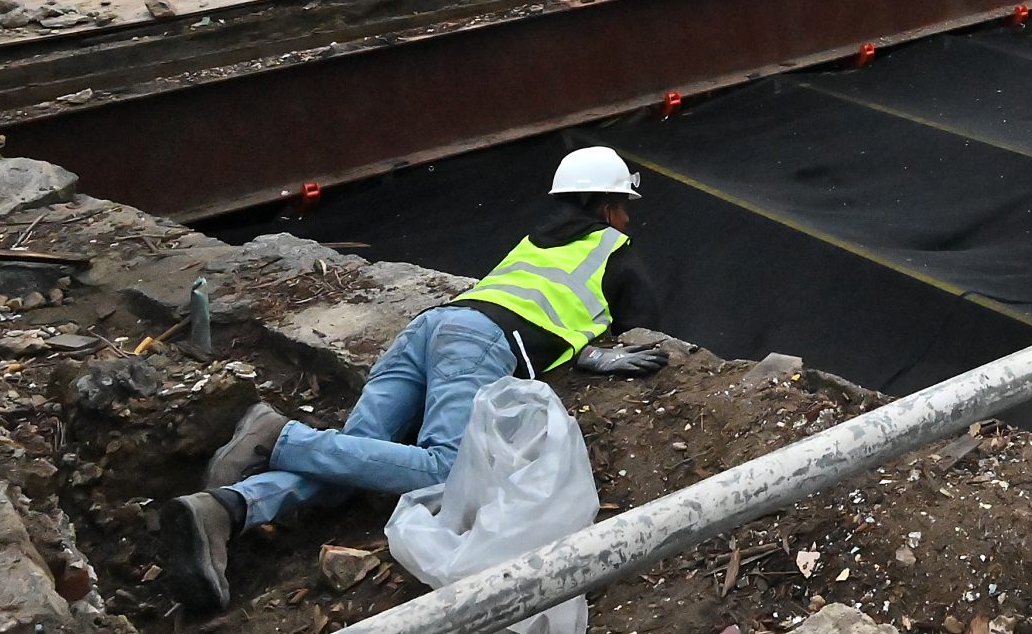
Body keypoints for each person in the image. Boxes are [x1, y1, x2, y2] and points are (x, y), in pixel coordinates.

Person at [160, 146, 671, 613]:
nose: (627, 218)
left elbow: (544, 306)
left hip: (431, 327)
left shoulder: (535, 240)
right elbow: (639, 323)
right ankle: (278, 437)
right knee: (445, 470)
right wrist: (596, 352)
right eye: (624, 206)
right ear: (608, 206)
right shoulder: (614, 248)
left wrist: (580, 347)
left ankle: (226, 509)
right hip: (479, 345)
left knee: (354, 456)